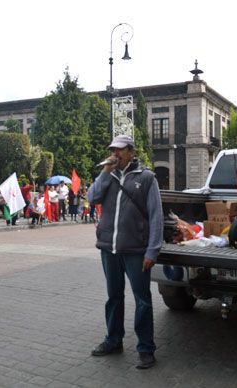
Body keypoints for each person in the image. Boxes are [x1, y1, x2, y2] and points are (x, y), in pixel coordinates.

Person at [87, 134, 164, 370]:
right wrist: (104, 172)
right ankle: (113, 340)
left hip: (136, 251)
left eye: (120, 150)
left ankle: (146, 348)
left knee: (142, 300)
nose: (115, 154)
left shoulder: (147, 177)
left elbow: (156, 216)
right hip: (109, 249)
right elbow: (92, 197)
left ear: (131, 151)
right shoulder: (108, 176)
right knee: (114, 296)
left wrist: (152, 251)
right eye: (113, 150)